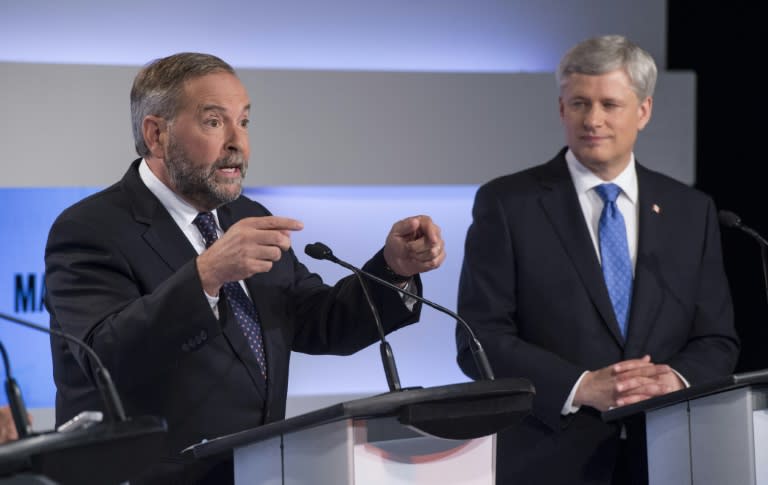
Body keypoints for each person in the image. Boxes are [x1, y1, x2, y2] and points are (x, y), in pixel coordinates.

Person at [44, 52, 445, 484]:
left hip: (259, 473)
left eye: (245, 122)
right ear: (156, 135)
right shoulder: (89, 229)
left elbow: (318, 321)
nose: (238, 142)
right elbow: (104, 357)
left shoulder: (243, 215)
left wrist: (392, 270)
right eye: (215, 122)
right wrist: (204, 277)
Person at [456, 35, 739, 485]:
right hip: (549, 458)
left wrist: (675, 381)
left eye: (610, 104)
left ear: (643, 111)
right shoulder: (508, 204)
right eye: (579, 104)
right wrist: (580, 386)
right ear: (561, 109)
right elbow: (479, 338)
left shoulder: (691, 209)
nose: (593, 120)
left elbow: (717, 339)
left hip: (669, 454)